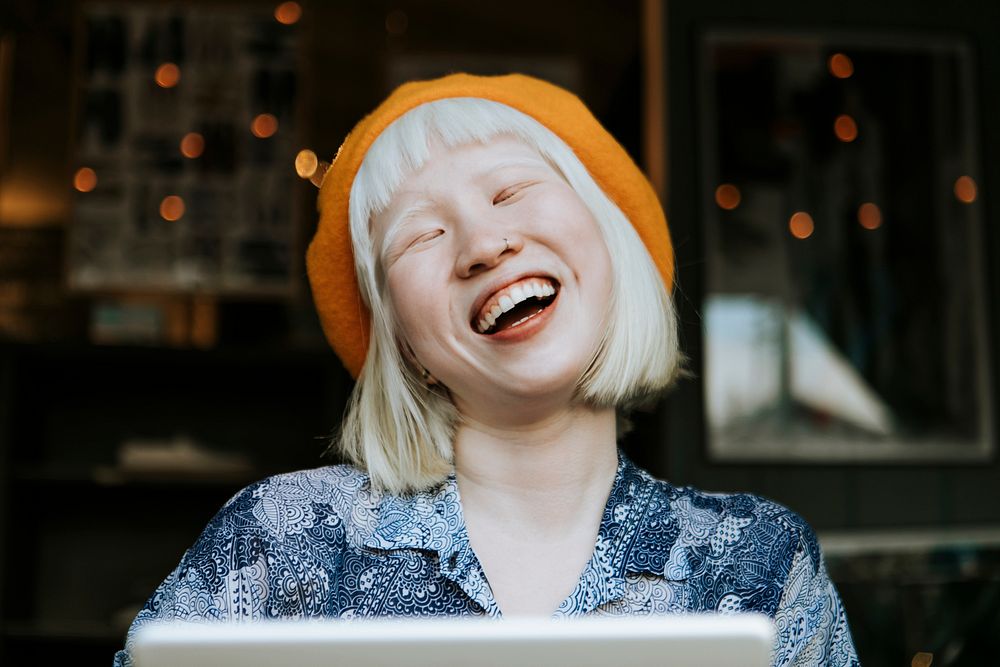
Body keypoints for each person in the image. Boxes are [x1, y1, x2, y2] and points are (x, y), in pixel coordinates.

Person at [113, 73, 858, 666]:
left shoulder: (764, 562)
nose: (483, 242)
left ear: (609, 244)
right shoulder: (280, 538)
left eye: (511, 191)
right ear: (403, 345)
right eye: (422, 235)